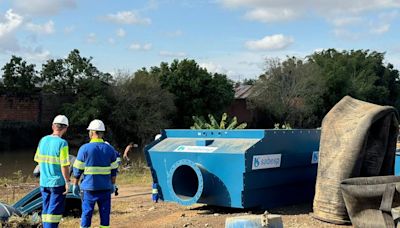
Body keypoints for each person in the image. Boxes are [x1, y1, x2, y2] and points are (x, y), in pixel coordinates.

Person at [72, 119, 118, 228]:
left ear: (91, 132)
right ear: (102, 133)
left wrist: (75, 184)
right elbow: (114, 170)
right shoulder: (110, 149)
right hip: (105, 188)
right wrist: (113, 184)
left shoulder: (84, 148)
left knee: (87, 214)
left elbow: (77, 169)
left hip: (89, 189)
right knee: (105, 215)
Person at [34, 115, 70, 228]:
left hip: (44, 183)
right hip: (57, 183)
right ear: (65, 128)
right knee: (53, 214)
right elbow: (64, 165)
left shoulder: (43, 140)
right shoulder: (62, 143)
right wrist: (67, 182)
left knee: (46, 211)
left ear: (53, 126)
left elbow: (38, 161)